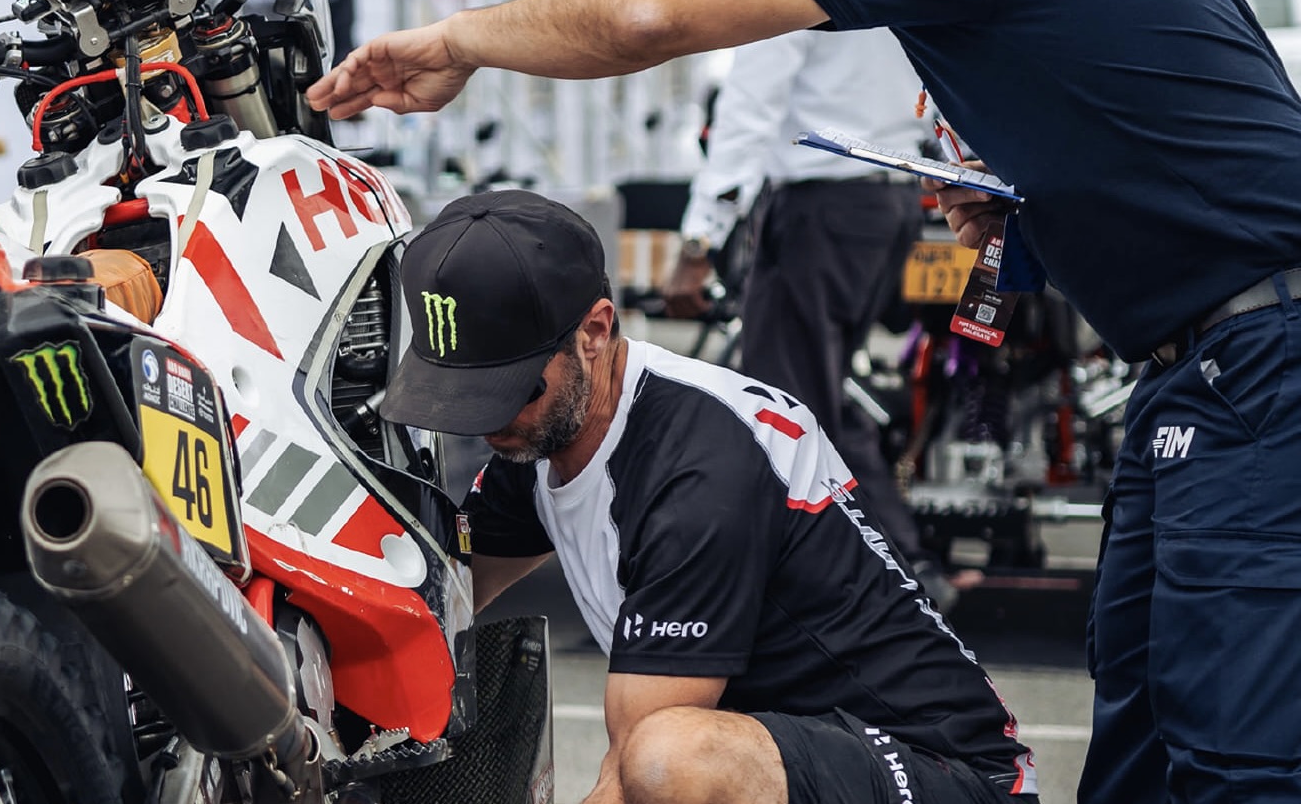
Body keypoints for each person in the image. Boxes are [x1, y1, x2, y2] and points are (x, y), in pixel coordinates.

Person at [309, 0, 1301, 802]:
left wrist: (458, 42)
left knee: (1233, 753)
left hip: (1253, 364)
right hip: (1201, 366)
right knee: (1145, 737)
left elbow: (649, 16)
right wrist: (1022, 210)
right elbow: (1180, 136)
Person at [389, 190, 1035, 804]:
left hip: (946, 775)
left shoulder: (698, 469)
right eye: (465, 389)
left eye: (507, 387)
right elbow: (433, 600)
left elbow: (630, 777)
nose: (485, 419)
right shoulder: (544, 425)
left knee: (672, 755)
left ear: (594, 330)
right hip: (795, 760)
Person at [659, 28, 942, 593]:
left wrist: (700, 240)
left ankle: (877, 578)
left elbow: (751, 102)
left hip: (824, 200)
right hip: (888, 195)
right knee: (816, 391)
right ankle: (902, 565)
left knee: (784, 403)